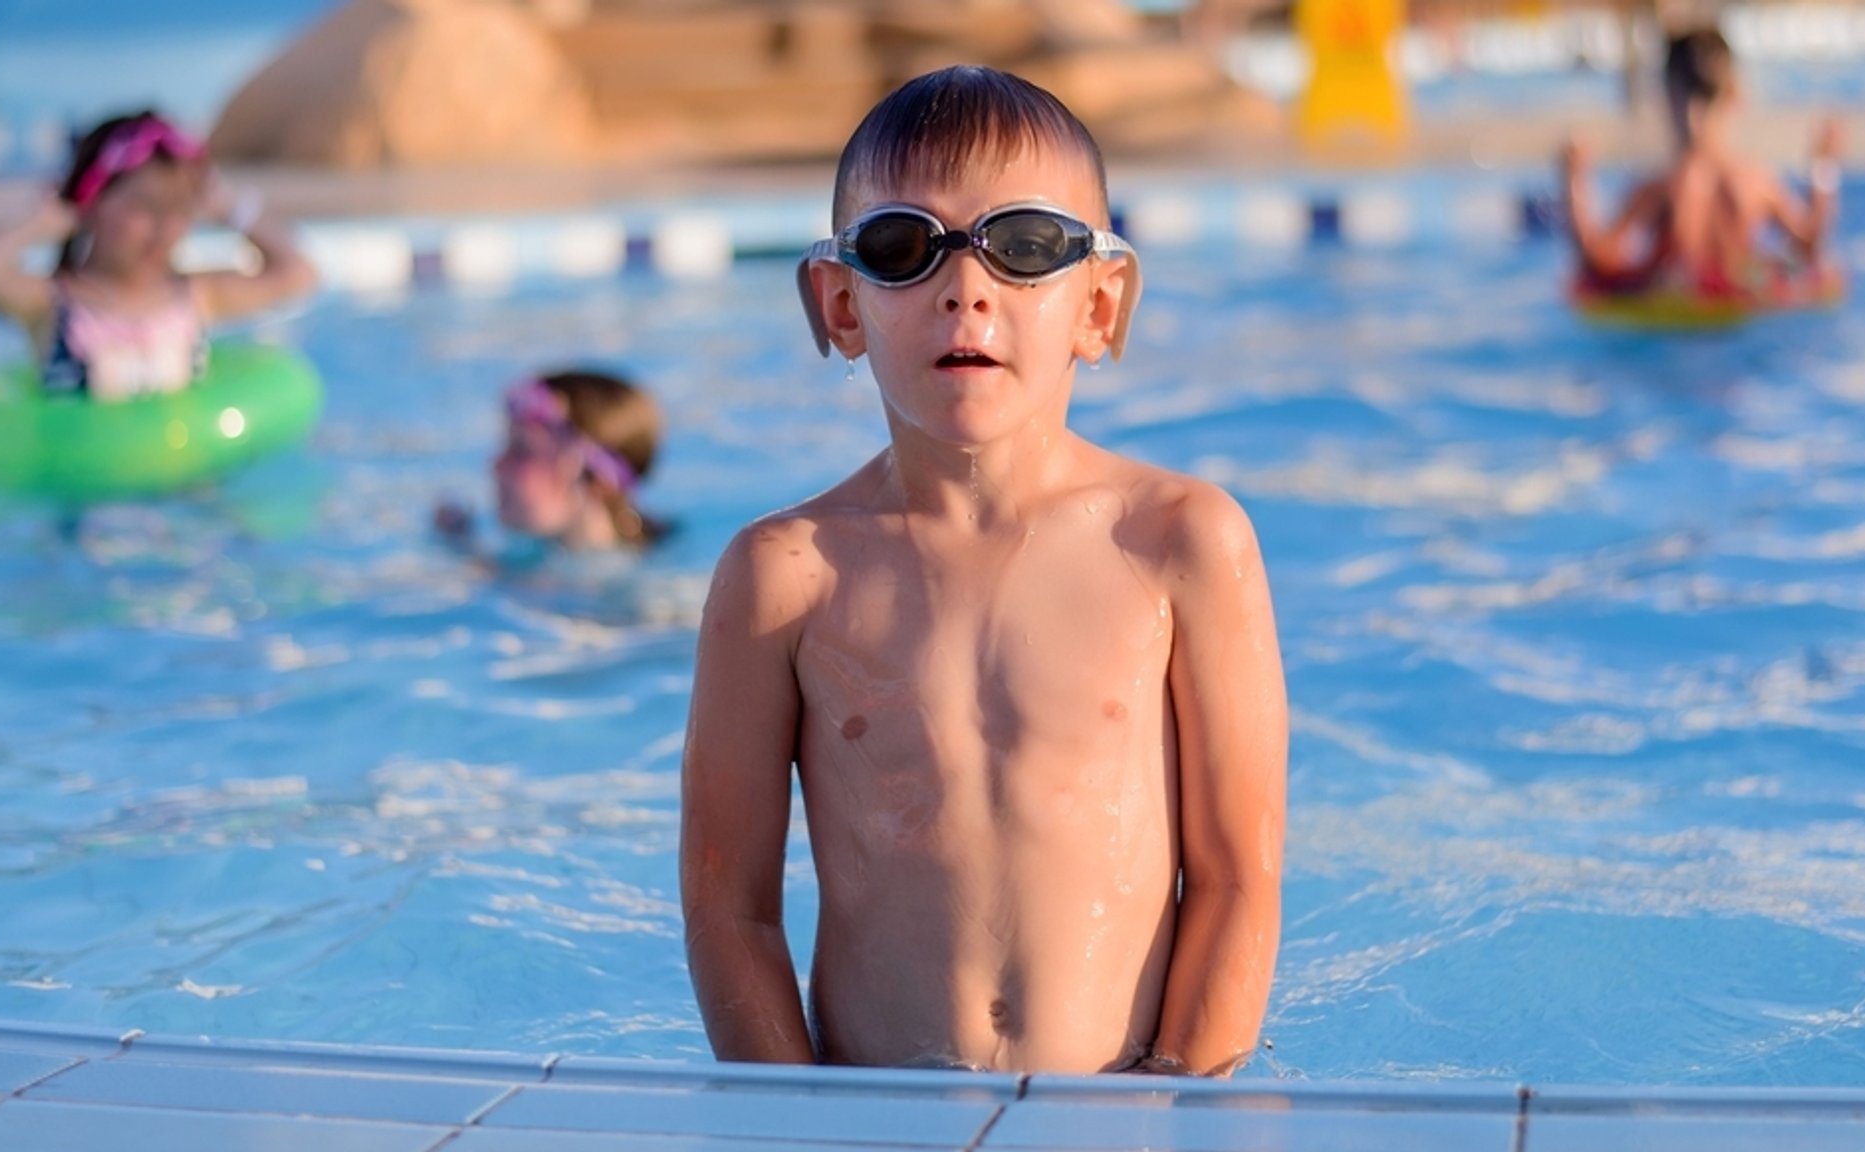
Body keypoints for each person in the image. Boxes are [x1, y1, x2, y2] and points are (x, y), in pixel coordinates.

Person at [680, 66, 1287, 1076]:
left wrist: (1174, 1112)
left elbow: (1237, 879)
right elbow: (726, 902)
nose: (966, 288)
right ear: (838, 304)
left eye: (1024, 246)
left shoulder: (1179, 543)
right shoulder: (784, 577)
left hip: (1122, 1115)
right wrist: (792, 1125)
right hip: (869, 1123)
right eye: (902, 248)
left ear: (1100, 304)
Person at [0, 110, 317, 401]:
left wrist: (230, 208)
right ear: (90, 205)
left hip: (185, 470)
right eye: (143, 206)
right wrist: (40, 225)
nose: (164, 227)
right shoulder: (53, 303)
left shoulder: (197, 295)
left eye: (179, 208)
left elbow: (298, 273)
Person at [1563, 27, 1845, 298]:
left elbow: (1597, 258)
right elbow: (1809, 243)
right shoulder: (1756, 182)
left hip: (1675, 314)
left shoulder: (1662, 188)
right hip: (1742, 310)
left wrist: (1575, 177)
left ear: (1668, 96)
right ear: (1736, 96)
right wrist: (1824, 167)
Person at [435, 369, 671, 553]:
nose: (496, 464)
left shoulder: (636, 602)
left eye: (522, 451)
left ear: (599, 480)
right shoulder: (533, 561)